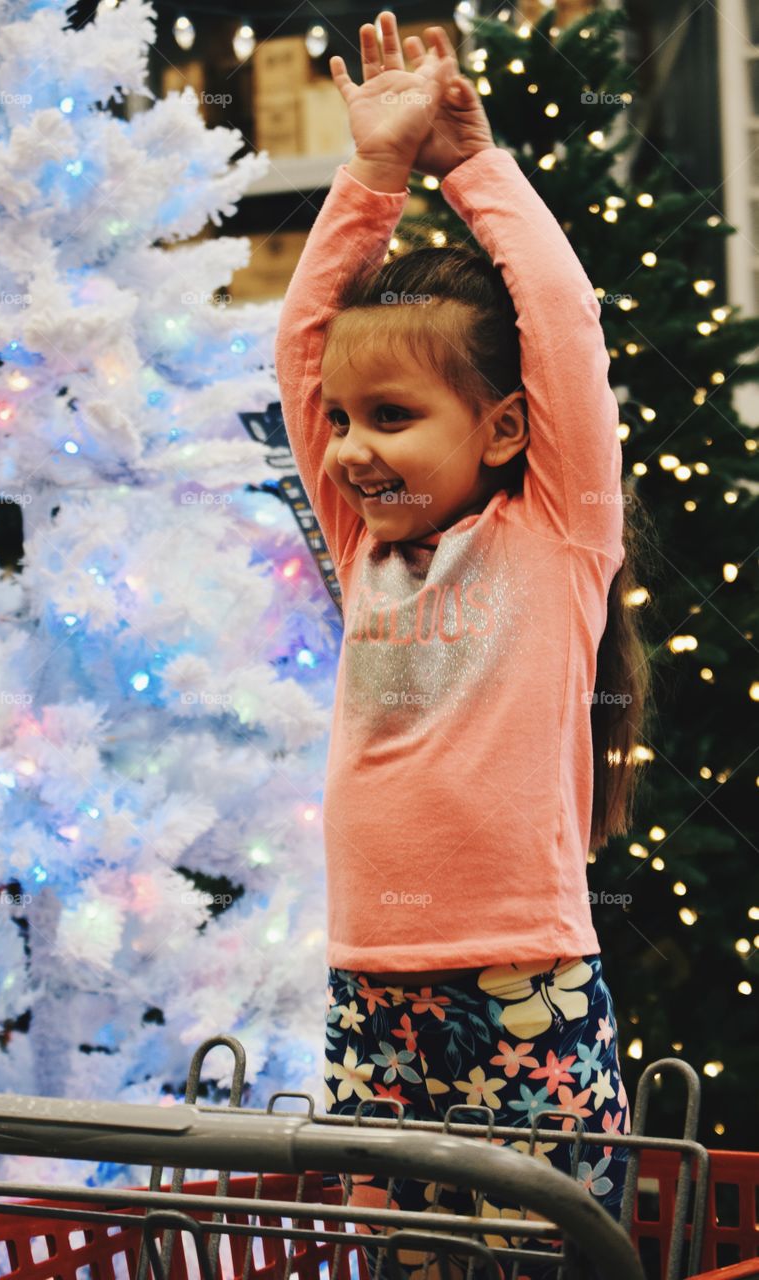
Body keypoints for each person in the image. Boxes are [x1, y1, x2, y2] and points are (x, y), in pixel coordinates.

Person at [274, 11, 652, 1280]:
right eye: (340, 422)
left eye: (392, 416)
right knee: (405, 1267)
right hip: (368, 988)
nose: (350, 447)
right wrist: (371, 177)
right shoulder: (364, 540)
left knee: (543, 1265)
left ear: (498, 429)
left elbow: (567, 332)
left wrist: (469, 168)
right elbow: (303, 348)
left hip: (521, 979)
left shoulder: (556, 534)